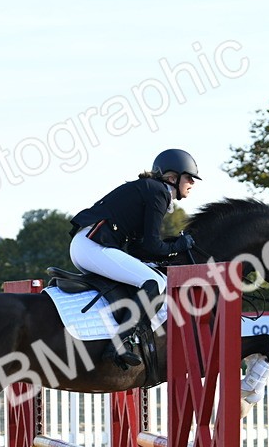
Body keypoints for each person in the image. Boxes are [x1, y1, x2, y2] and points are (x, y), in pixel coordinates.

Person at [69, 148, 200, 367]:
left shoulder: (149, 190)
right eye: (189, 177)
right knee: (154, 282)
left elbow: (140, 249)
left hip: (88, 246)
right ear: (172, 177)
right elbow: (152, 244)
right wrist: (181, 244)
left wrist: (170, 249)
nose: (192, 183)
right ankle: (120, 345)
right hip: (92, 246)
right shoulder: (158, 191)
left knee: (148, 275)